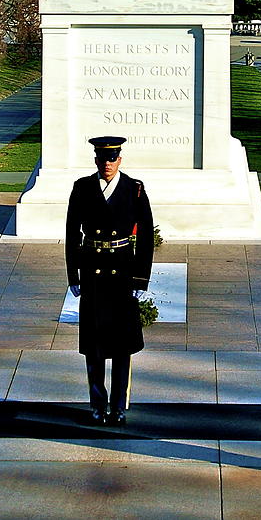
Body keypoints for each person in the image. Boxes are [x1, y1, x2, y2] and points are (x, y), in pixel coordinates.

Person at [66, 136, 154, 425]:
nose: (107, 164)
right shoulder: (82, 188)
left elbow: (145, 238)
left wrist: (140, 278)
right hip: (93, 272)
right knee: (94, 345)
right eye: (103, 159)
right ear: (95, 160)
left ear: (120, 160)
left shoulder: (134, 190)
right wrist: (73, 274)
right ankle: (97, 403)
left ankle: (117, 405)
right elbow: (72, 234)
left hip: (121, 272)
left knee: (120, 345)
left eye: (112, 159)